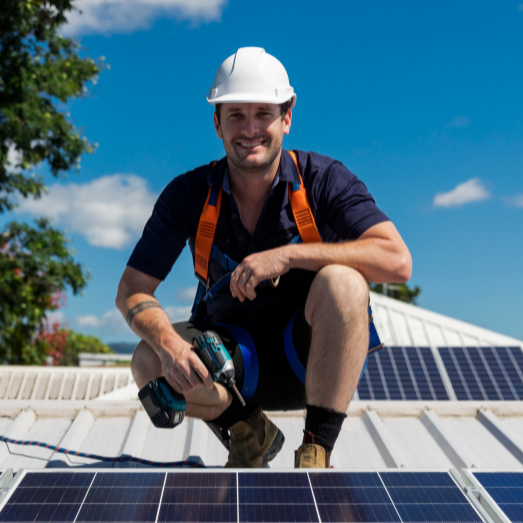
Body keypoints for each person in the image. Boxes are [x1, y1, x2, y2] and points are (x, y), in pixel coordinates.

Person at [116, 47, 412, 468]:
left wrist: (288, 257)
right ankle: (249, 433)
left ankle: (315, 451)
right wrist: (168, 346)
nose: (249, 128)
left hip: (308, 357)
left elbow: (397, 260)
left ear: (287, 118)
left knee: (345, 283)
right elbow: (131, 290)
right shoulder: (188, 195)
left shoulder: (323, 180)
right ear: (216, 123)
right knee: (147, 359)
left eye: (263, 113)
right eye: (235, 114)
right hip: (234, 370)